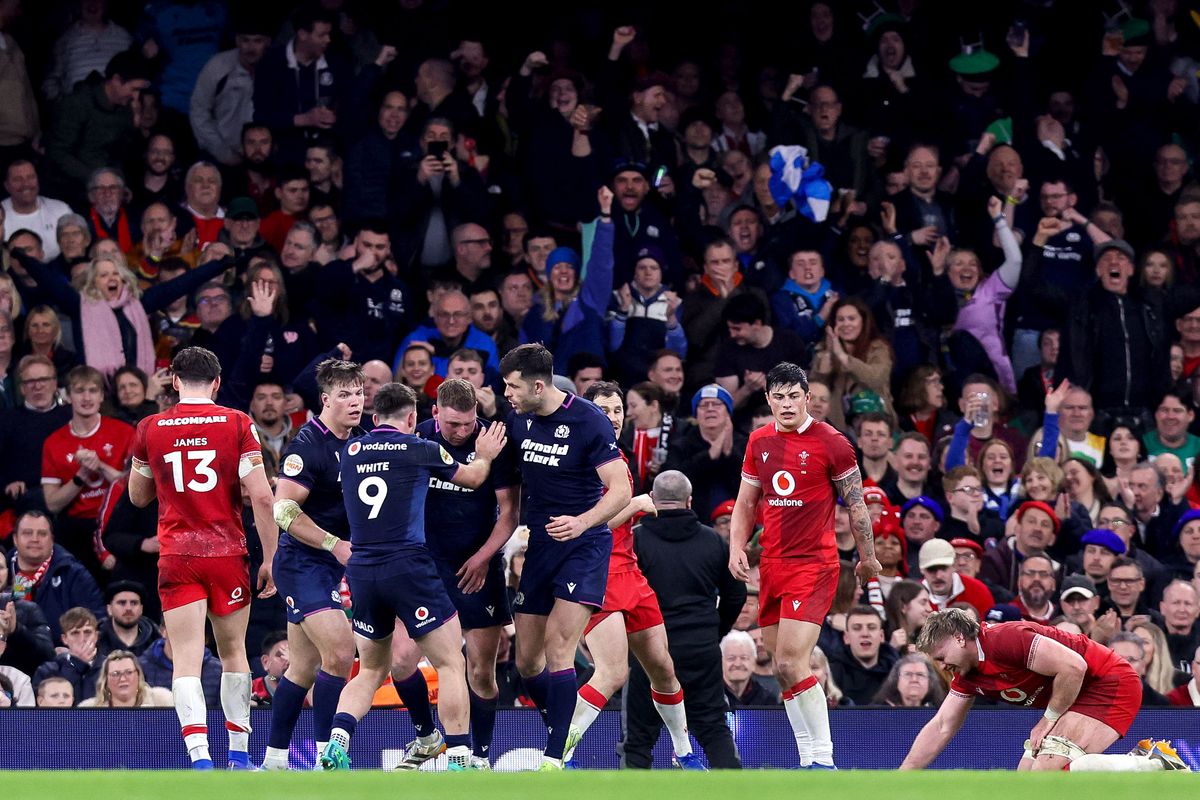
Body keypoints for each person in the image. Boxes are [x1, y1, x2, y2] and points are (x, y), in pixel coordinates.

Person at [319, 381, 506, 771]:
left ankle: (336, 742)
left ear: (373, 418)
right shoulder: (419, 447)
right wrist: (485, 456)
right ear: (412, 418)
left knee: (371, 669)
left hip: (363, 569)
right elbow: (472, 478)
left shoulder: (351, 451)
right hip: (408, 566)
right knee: (452, 662)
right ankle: (458, 755)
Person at [127, 346, 276, 770]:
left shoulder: (151, 427)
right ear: (217, 382)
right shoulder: (236, 423)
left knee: (188, 659)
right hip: (227, 551)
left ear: (174, 382)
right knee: (234, 654)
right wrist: (271, 557)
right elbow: (263, 496)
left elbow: (138, 497)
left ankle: (199, 757)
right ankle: (240, 754)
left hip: (178, 554)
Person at [730, 361, 880, 768]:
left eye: (793, 396)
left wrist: (867, 558)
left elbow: (856, 504)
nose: (786, 404)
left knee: (791, 661)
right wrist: (736, 547)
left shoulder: (833, 442)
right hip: (773, 566)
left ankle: (823, 759)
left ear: (807, 398)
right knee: (781, 669)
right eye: (777, 397)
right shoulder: (758, 440)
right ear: (767, 400)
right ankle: (807, 757)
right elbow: (746, 502)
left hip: (814, 565)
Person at [500, 343, 631, 770]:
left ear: (540, 385)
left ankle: (554, 758)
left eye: (513, 386)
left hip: (584, 546)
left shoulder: (589, 420)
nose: (508, 393)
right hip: (540, 545)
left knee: (560, 649)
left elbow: (621, 489)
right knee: (526, 660)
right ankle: (557, 726)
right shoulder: (518, 420)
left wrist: (583, 522)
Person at [562, 382, 700, 769]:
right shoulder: (581, 460)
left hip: (630, 573)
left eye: (618, 409)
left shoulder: (616, 455)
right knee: (611, 672)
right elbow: (586, 527)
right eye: (603, 409)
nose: (613, 416)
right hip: (597, 574)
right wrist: (636, 505)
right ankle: (561, 753)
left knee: (664, 670)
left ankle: (685, 754)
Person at [900, 608, 1186, 772]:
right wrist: (902, 779)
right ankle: (1145, 765)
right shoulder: (967, 676)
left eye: (940, 657)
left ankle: (1151, 763)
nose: (942, 666)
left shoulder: (1004, 638)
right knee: (1026, 783)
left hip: (1108, 682)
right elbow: (941, 726)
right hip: (1075, 697)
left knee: (1046, 773)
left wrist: (1048, 720)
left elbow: (1073, 667)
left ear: (960, 638)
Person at [410, 378, 519, 767]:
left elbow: (510, 514)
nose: (461, 432)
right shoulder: (419, 436)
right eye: (453, 424)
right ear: (435, 413)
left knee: (481, 672)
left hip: (479, 566)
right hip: (427, 566)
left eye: (468, 424)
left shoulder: (493, 441)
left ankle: (481, 755)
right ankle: (428, 735)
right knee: (402, 662)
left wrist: (485, 557)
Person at [261, 358, 364, 770]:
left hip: (333, 564)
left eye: (358, 393)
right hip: (303, 563)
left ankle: (273, 762)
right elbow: (283, 510)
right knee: (340, 651)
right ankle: (327, 757)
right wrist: (333, 543)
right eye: (344, 395)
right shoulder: (307, 444)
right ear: (325, 399)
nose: (355, 402)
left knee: (301, 668)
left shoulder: (363, 437)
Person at [624, 469, 746, 768]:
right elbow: (736, 595)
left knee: (640, 737)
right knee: (712, 727)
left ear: (652, 499)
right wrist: (714, 631)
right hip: (700, 648)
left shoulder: (635, 541)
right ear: (689, 501)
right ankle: (736, 791)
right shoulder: (713, 542)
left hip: (649, 651)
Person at [8, 511, 104, 640]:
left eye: (42, 534)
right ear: (15, 539)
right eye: (27, 533)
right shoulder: (4, 569)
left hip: (59, 654)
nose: (35, 539)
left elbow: (96, 621)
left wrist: (69, 649)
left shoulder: (74, 574)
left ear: (52, 539)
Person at [919, 539, 995, 618]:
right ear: (921, 570)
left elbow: (988, 628)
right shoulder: (912, 595)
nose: (938, 576)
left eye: (943, 568)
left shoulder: (978, 591)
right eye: (931, 570)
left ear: (954, 566)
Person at [78, 649, 172, 707]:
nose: (123, 679)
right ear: (106, 680)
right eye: (115, 674)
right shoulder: (88, 710)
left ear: (138, 675)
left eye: (129, 672)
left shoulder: (163, 701)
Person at [96, 579, 158, 658]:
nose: (128, 608)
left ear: (141, 609)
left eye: (134, 603)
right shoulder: (95, 642)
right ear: (109, 609)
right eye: (122, 603)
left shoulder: (156, 642)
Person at [722, 629, 779, 706]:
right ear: (720, 661)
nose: (737, 664)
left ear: (753, 662)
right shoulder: (707, 697)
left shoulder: (767, 700)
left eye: (744, 658)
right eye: (731, 658)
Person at [871, 653, 946, 707]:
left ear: (930, 682)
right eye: (908, 674)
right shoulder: (877, 712)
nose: (914, 679)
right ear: (896, 680)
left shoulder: (941, 712)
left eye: (920, 674)